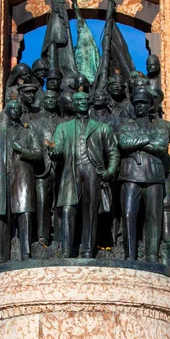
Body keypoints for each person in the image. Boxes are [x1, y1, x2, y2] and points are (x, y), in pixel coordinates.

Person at [49, 91, 120, 258]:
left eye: (85, 100)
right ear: (73, 105)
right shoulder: (63, 128)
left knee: (90, 211)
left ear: (90, 103)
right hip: (70, 171)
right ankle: (66, 250)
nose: (82, 102)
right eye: (78, 100)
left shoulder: (102, 128)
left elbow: (113, 152)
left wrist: (110, 171)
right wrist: (53, 151)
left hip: (92, 172)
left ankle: (88, 249)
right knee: (68, 210)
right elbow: (57, 150)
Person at [0, 100, 42, 261]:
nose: (15, 111)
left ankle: (26, 253)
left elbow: (38, 154)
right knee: (3, 218)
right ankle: (3, 256)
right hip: (3, 179)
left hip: (23, 177)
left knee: (25, 214)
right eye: (12, 108)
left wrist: (22, 150)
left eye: (18, 108)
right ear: (7, 112)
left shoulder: (29, 133)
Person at [117, 88, 169, 262]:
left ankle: (152, 256)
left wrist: (137, 143)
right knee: (129, 214)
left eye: (143, 104)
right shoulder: (126, 125)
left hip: (153, 175)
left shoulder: (160, 125)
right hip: (131, 174)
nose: (140, 107)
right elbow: (124, 143)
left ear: (150, 106)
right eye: (137, 104)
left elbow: (161, 145)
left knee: (153, 216)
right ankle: (129, 255)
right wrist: (147, 139)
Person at [29, 91, 62, 246]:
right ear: (43, 102)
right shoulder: (34, 124)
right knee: (42, 203)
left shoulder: (64, 123)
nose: (50, 100)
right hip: (42, 169)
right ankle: (43, 236)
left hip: (60, 168)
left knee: (60, 203)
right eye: (47, 98)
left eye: (53, 98)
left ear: (57, 102)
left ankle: (60, 236)